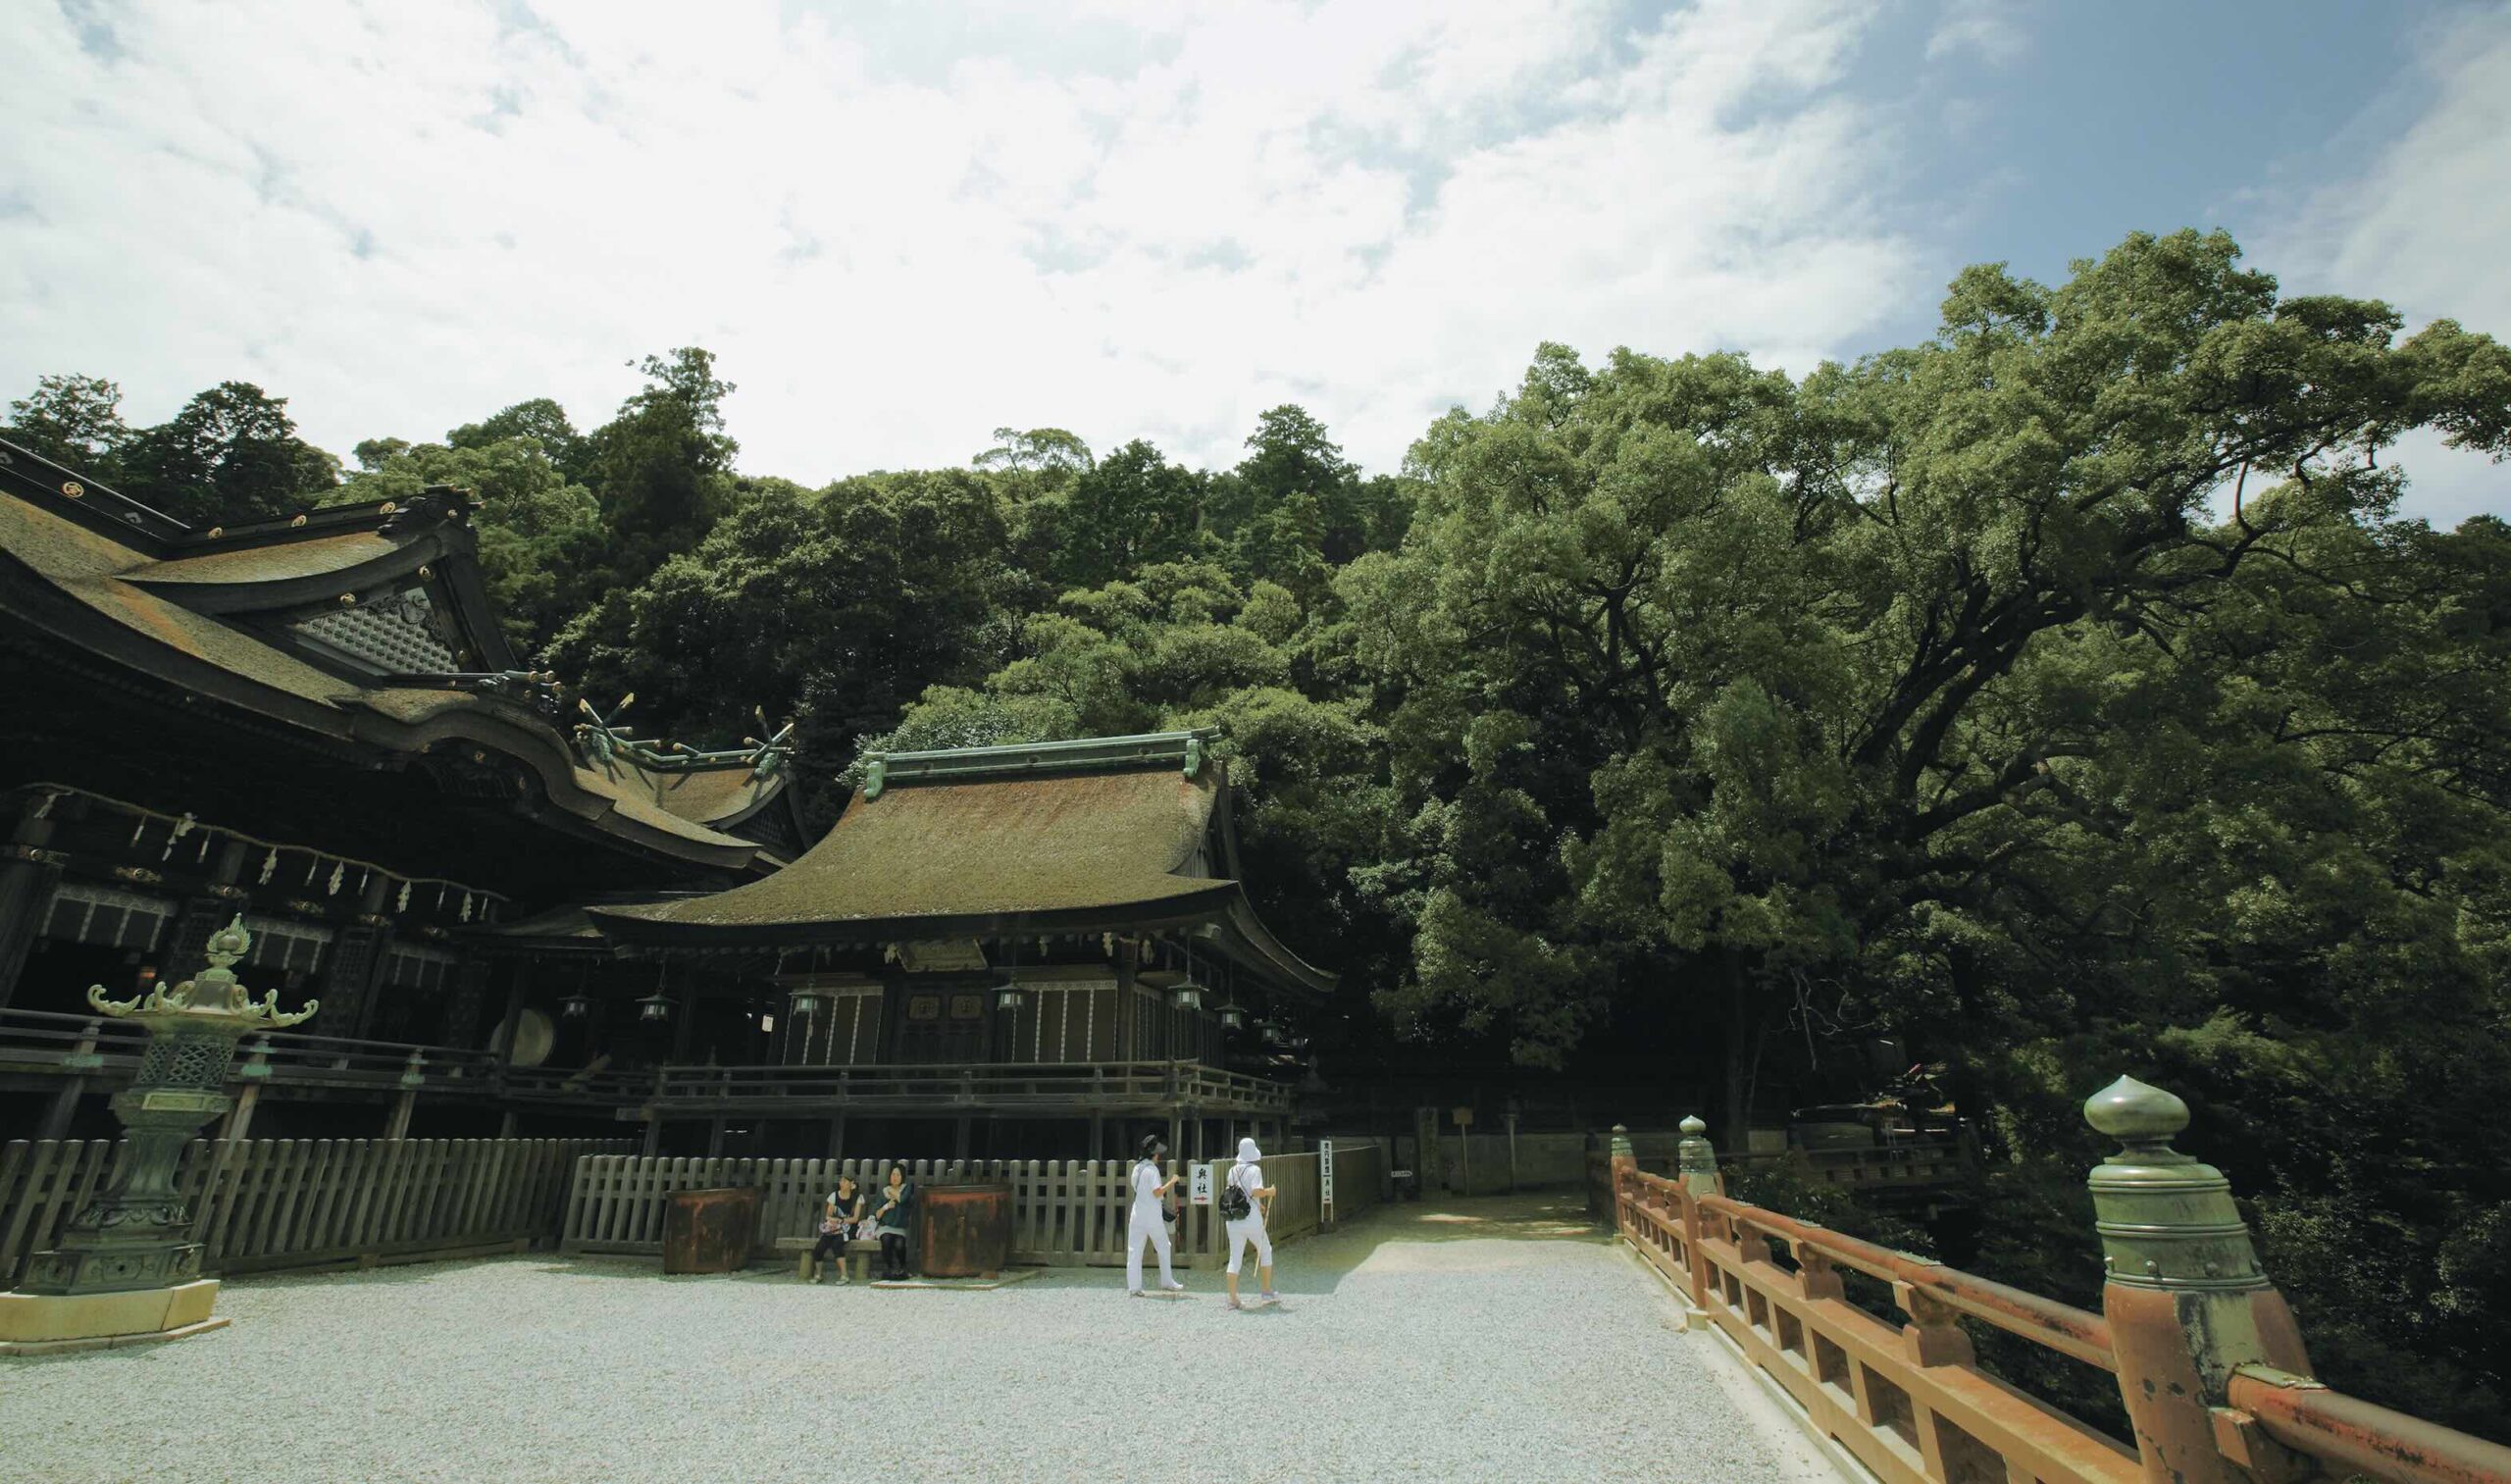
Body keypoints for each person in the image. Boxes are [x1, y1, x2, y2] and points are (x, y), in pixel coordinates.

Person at [1125, 1133, 1187, 1297]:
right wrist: (1172, 1181)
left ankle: (1134, 1287)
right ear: (1153, 1153)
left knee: (1134, 1250)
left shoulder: (1137, 1168)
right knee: (1163, 1246)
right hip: (1152, 1214)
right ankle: (1167, 1281)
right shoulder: (1152, 1171)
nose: (1159, 1156)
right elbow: (1157, 1192)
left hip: (1137, 1213)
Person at [1223, 1136, 1278, 1309]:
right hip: (1252, 1220)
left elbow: (1237, 1194)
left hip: (1233, 1220)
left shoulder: (1232, 1170)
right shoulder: (1254, 1170)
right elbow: (1255, 1190)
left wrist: (1258, 1204)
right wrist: (1269, 1191)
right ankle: (1266, 1291)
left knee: (1235, 1258)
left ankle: (1233, 1299)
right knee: (1265, 1250)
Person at [808, 1172, 865, 1284]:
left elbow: (855, 1218)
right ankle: (818, 1274)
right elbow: (828, 1215)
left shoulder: (857, 1197)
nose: (842, 1183)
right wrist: (833, 1221)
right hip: (834, 1227)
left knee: (837, 1244)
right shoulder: (833, 1196)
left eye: (845, 1181)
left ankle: (844, 1275)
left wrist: (842, 1220)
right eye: (841, 1181)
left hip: (850, 1228)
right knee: (820, 1246)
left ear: (852, 1184)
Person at [871, 1164, 914, 1280]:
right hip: (885, 1226)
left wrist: (891, 1190)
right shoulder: (884, 1192)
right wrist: (886, 1206)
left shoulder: (906, 1188)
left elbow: (902, 1199)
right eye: (893, 1174)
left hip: (899, 1228)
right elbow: (877, 1214)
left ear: (902, 1177)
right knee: (886, 1239)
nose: (895, 1177)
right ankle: (889, 1267)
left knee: (899, 1244)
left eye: (898, 1175)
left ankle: (902, 1267)